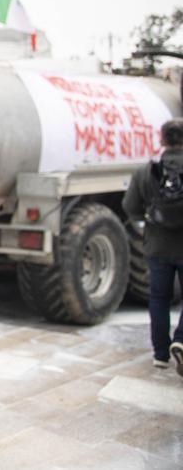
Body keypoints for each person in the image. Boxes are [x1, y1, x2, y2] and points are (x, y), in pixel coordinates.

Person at [123, 117, 183, 376]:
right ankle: (181, 340)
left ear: (162, 140)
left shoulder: (146, 171)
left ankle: (160, 354)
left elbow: (130, 207)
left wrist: (149, 219)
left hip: (157, 246)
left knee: (159, 298)